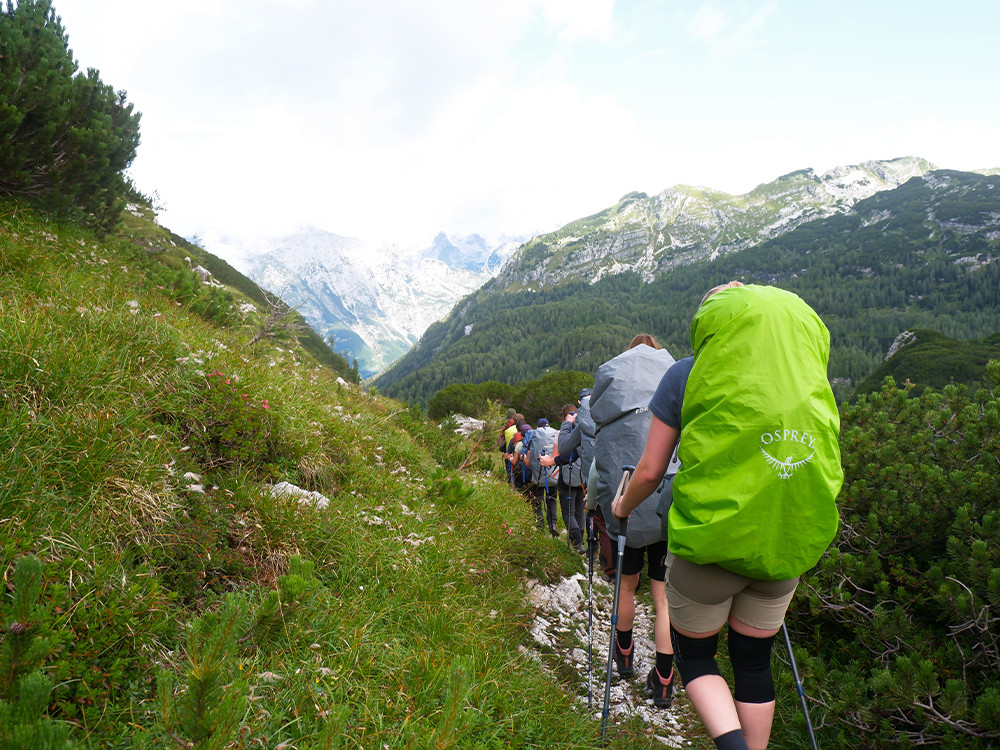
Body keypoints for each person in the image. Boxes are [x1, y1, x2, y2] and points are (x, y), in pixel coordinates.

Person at [613, 283, 844, 749]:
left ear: (712, 323)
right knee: (754, 662)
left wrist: (621, 507)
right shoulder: (805, 377)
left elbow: (652, 470)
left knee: (696, 658)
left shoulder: (686, 373)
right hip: (783, 546)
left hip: (709, 547)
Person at [590, 334, 678, 708]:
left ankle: (623, 655)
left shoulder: (612, 388)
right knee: (663, 598)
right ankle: (663, 680)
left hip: (625, 506)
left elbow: (599, 463)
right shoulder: (674, 377)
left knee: (626, 588)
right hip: (665, 506)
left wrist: (601, 506)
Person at [541, 403, 587, 553]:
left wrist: (546, 459)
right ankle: (584, 544)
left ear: (564, 417)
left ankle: (577, 543)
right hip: (583, 476)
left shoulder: (562, 433)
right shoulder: (585, 429)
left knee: (568, 512)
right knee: (580, 510)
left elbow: (555, 457)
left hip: (566, 476)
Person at [527, 417, 560, 536]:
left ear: (537, 427)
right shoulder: (556, 434)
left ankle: (539, 523)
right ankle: (553, 524)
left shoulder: (533, 436)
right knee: (552, 499)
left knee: (537, 500)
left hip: (538, 475)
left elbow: (528, 461)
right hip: (553, 474)